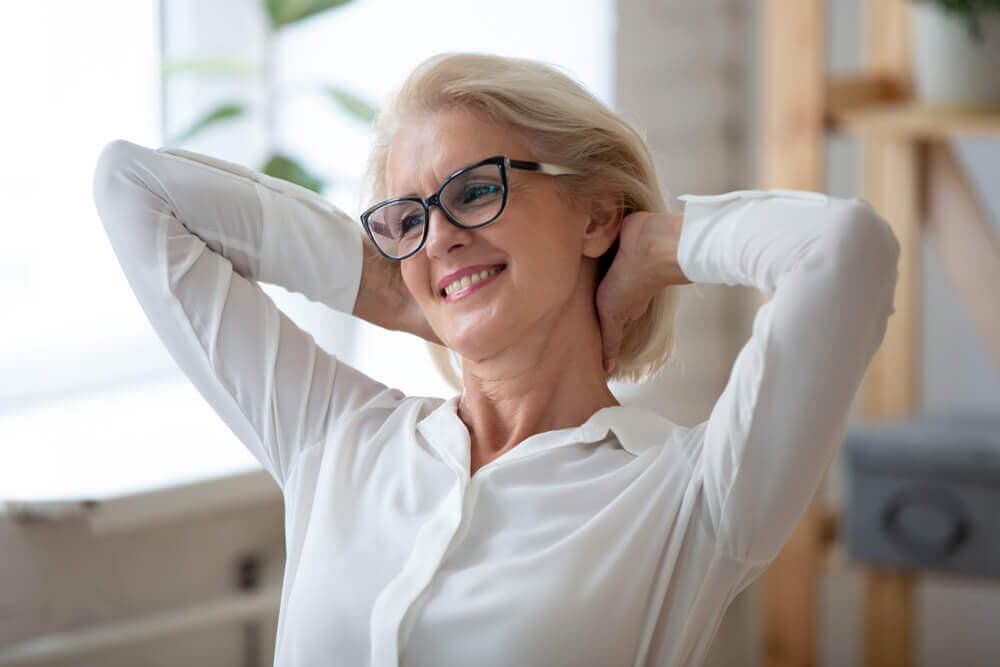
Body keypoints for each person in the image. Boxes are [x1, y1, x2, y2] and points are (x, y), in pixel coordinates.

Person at [91, 52, 899, 667]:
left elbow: (845, 250)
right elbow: (132, 188)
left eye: (475, 192)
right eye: (410, 216)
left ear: (595, 213)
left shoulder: (693, 496)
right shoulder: (336, 437)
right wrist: (387, 283)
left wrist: (656, 244)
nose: (440, 233)